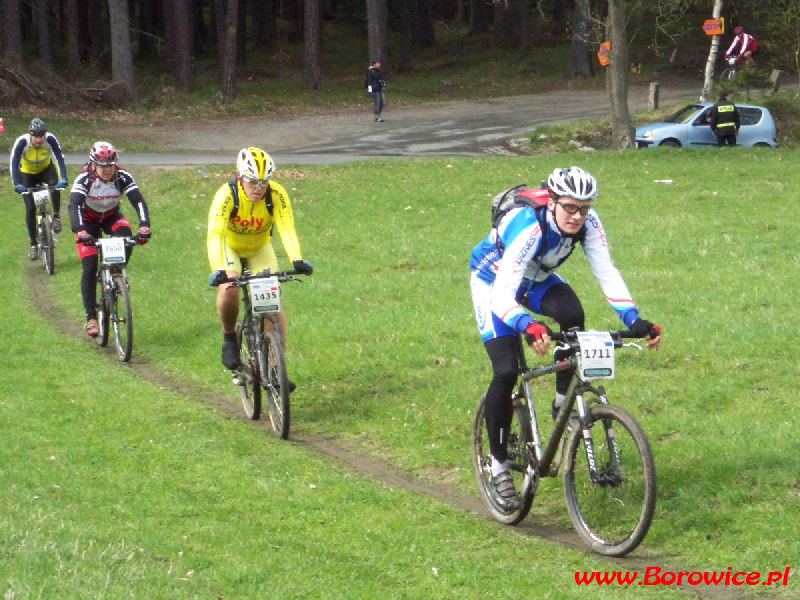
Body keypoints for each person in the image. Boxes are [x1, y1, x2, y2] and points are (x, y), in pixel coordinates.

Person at [469, 166, 661, 511]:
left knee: (573, 315)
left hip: (536, 276)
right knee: (505, 370)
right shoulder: (529, 227)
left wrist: (634, 318)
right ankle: (497, 464)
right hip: (493, 280)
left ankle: (562, 401)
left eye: (584, 208)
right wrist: (528, 325)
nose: (577, 216)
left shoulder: (589, 222)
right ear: (553, 201)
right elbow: (502, 297)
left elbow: (606, 270)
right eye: (569, 207)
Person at [207, 147, 313, 380]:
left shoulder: (276, 194)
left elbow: (286, 227)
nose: (258, 188)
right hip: (231, 248)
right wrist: (218, 269)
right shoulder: (226, 196)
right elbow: (215, 234)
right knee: (230, 290)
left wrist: (296, 258)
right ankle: (228, 339)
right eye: (253, 181)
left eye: (264, 182)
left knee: (273, 304)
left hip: (259, 248)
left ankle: (277, 370)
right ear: (240, 176)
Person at [68, 141, 151, 336]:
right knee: (89, 268)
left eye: (110, 165)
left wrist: (145, 225)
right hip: (88, 222)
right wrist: (80, 230)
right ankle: (91, 317)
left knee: (127, 238)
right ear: (93, 164)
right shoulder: (84, 178)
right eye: (103, 166)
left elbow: (137, 200)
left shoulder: (122, 176)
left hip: (111, 217)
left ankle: (117, 274)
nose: (107, 170)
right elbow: (74, 206)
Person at [9, 118, 69, 260]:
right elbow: (14, 163)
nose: (38, 140)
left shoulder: (51, 140)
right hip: (27, 174)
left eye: (41, 136)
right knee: (30, 207)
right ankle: (33, 245)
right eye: (35, 136)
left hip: (45, 169)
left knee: (54, 185)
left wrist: (64, 178)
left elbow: (59, 158)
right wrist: (17, 183)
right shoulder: (22, 142)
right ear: (30, 135)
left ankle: (56, 216)